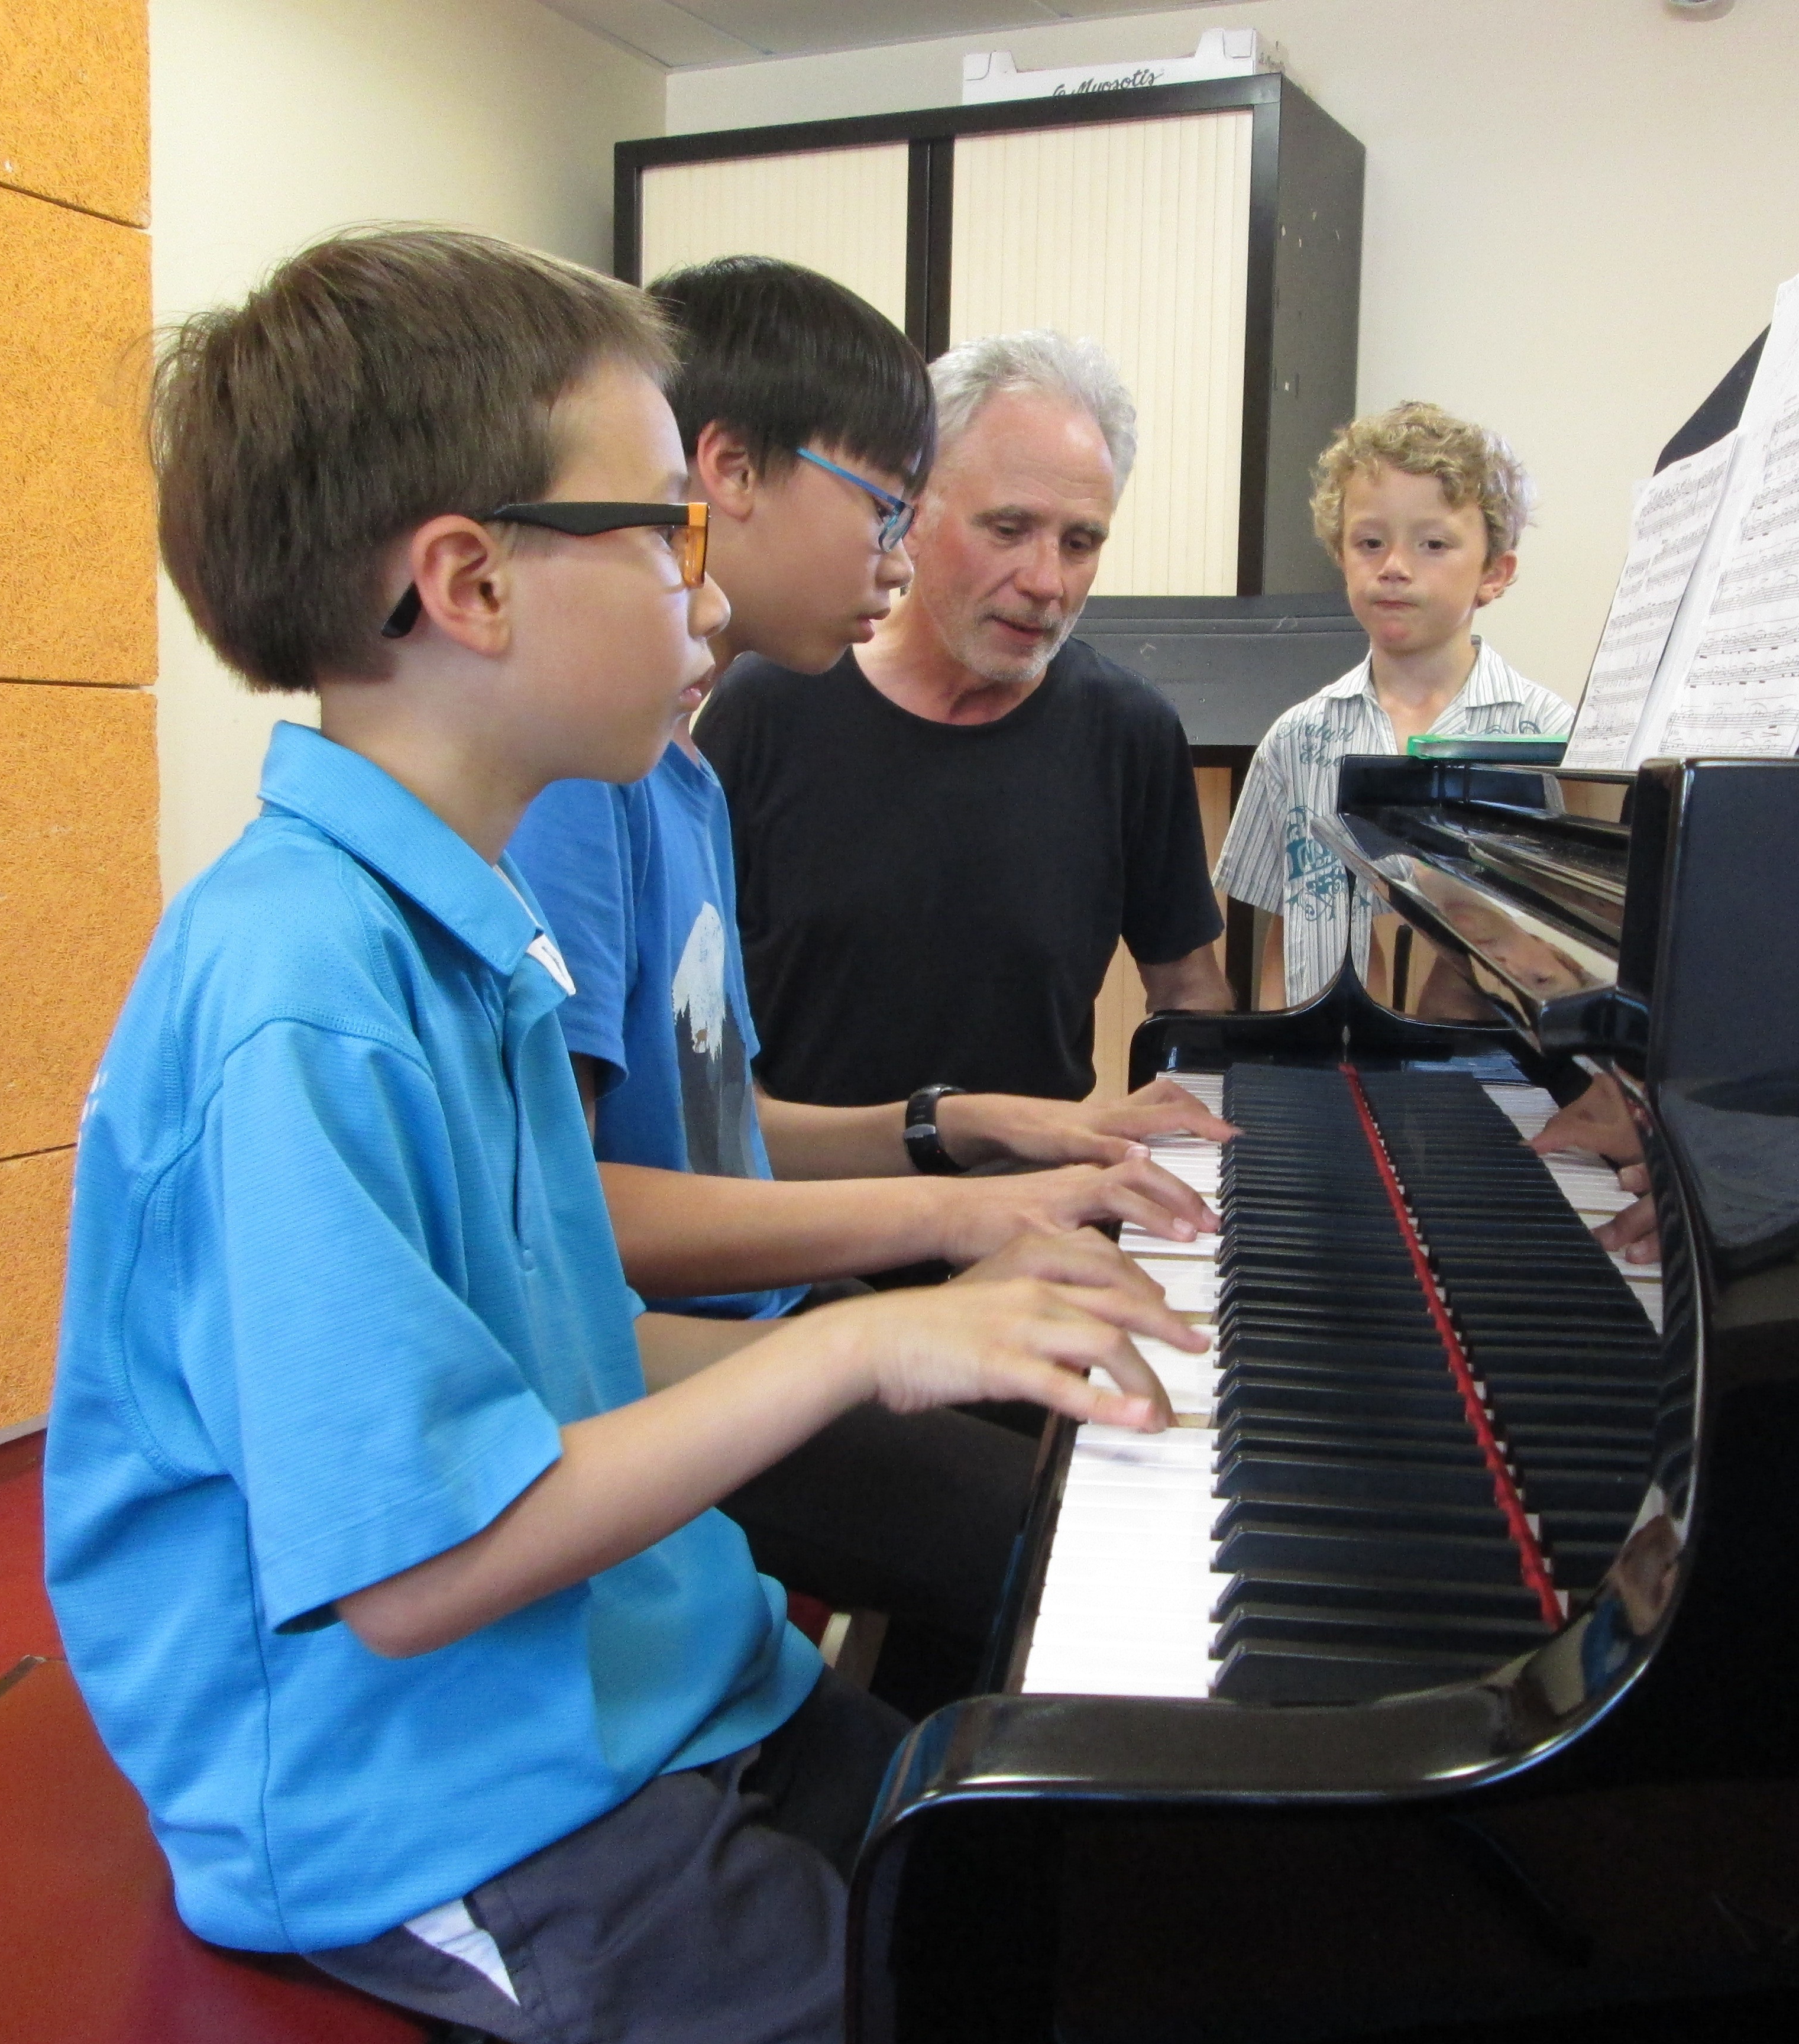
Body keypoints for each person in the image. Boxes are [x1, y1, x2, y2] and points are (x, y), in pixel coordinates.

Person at [44, 228, 1194, 2044]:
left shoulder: (464, 921)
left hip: (660, 1675)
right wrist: (872, 1341)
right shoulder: (300, 992)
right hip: (443, 1803)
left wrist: (919, 1309)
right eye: (669, 530)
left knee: (1083, 1895)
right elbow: (418, 1568)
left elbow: (563, 1344)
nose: (713, 598)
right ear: (471, 585)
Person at [503, 258, 1232, 1702]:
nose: (895, 558)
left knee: (1120, 1436)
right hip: (682, 1355)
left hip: (770, 1298)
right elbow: (572, 1228)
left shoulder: (681, 771)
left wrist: (969, 1128)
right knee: (1095, 1527)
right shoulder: (601, 778)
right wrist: (939, 1232)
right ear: (728, 477)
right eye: (890, 508)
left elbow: (721, 1124)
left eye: (1079, 537)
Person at [696, 329, 1232, 1111]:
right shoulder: (768, 704)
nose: (1047, 581)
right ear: (911, 512)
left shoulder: (1131, 734)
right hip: (798, 1217)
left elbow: (1190, 1000)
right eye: (1007, 529)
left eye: (1080, 542)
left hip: (1037, 1216)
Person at [1215, 399, 1572, 1014]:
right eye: (1371, 543)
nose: (1395, 568)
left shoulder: (1556, 739)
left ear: (1495, 573)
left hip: (1489, 1072)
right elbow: (1284, 937)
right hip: (1330, 1071)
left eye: (1433, 544)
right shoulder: (1294, 739)